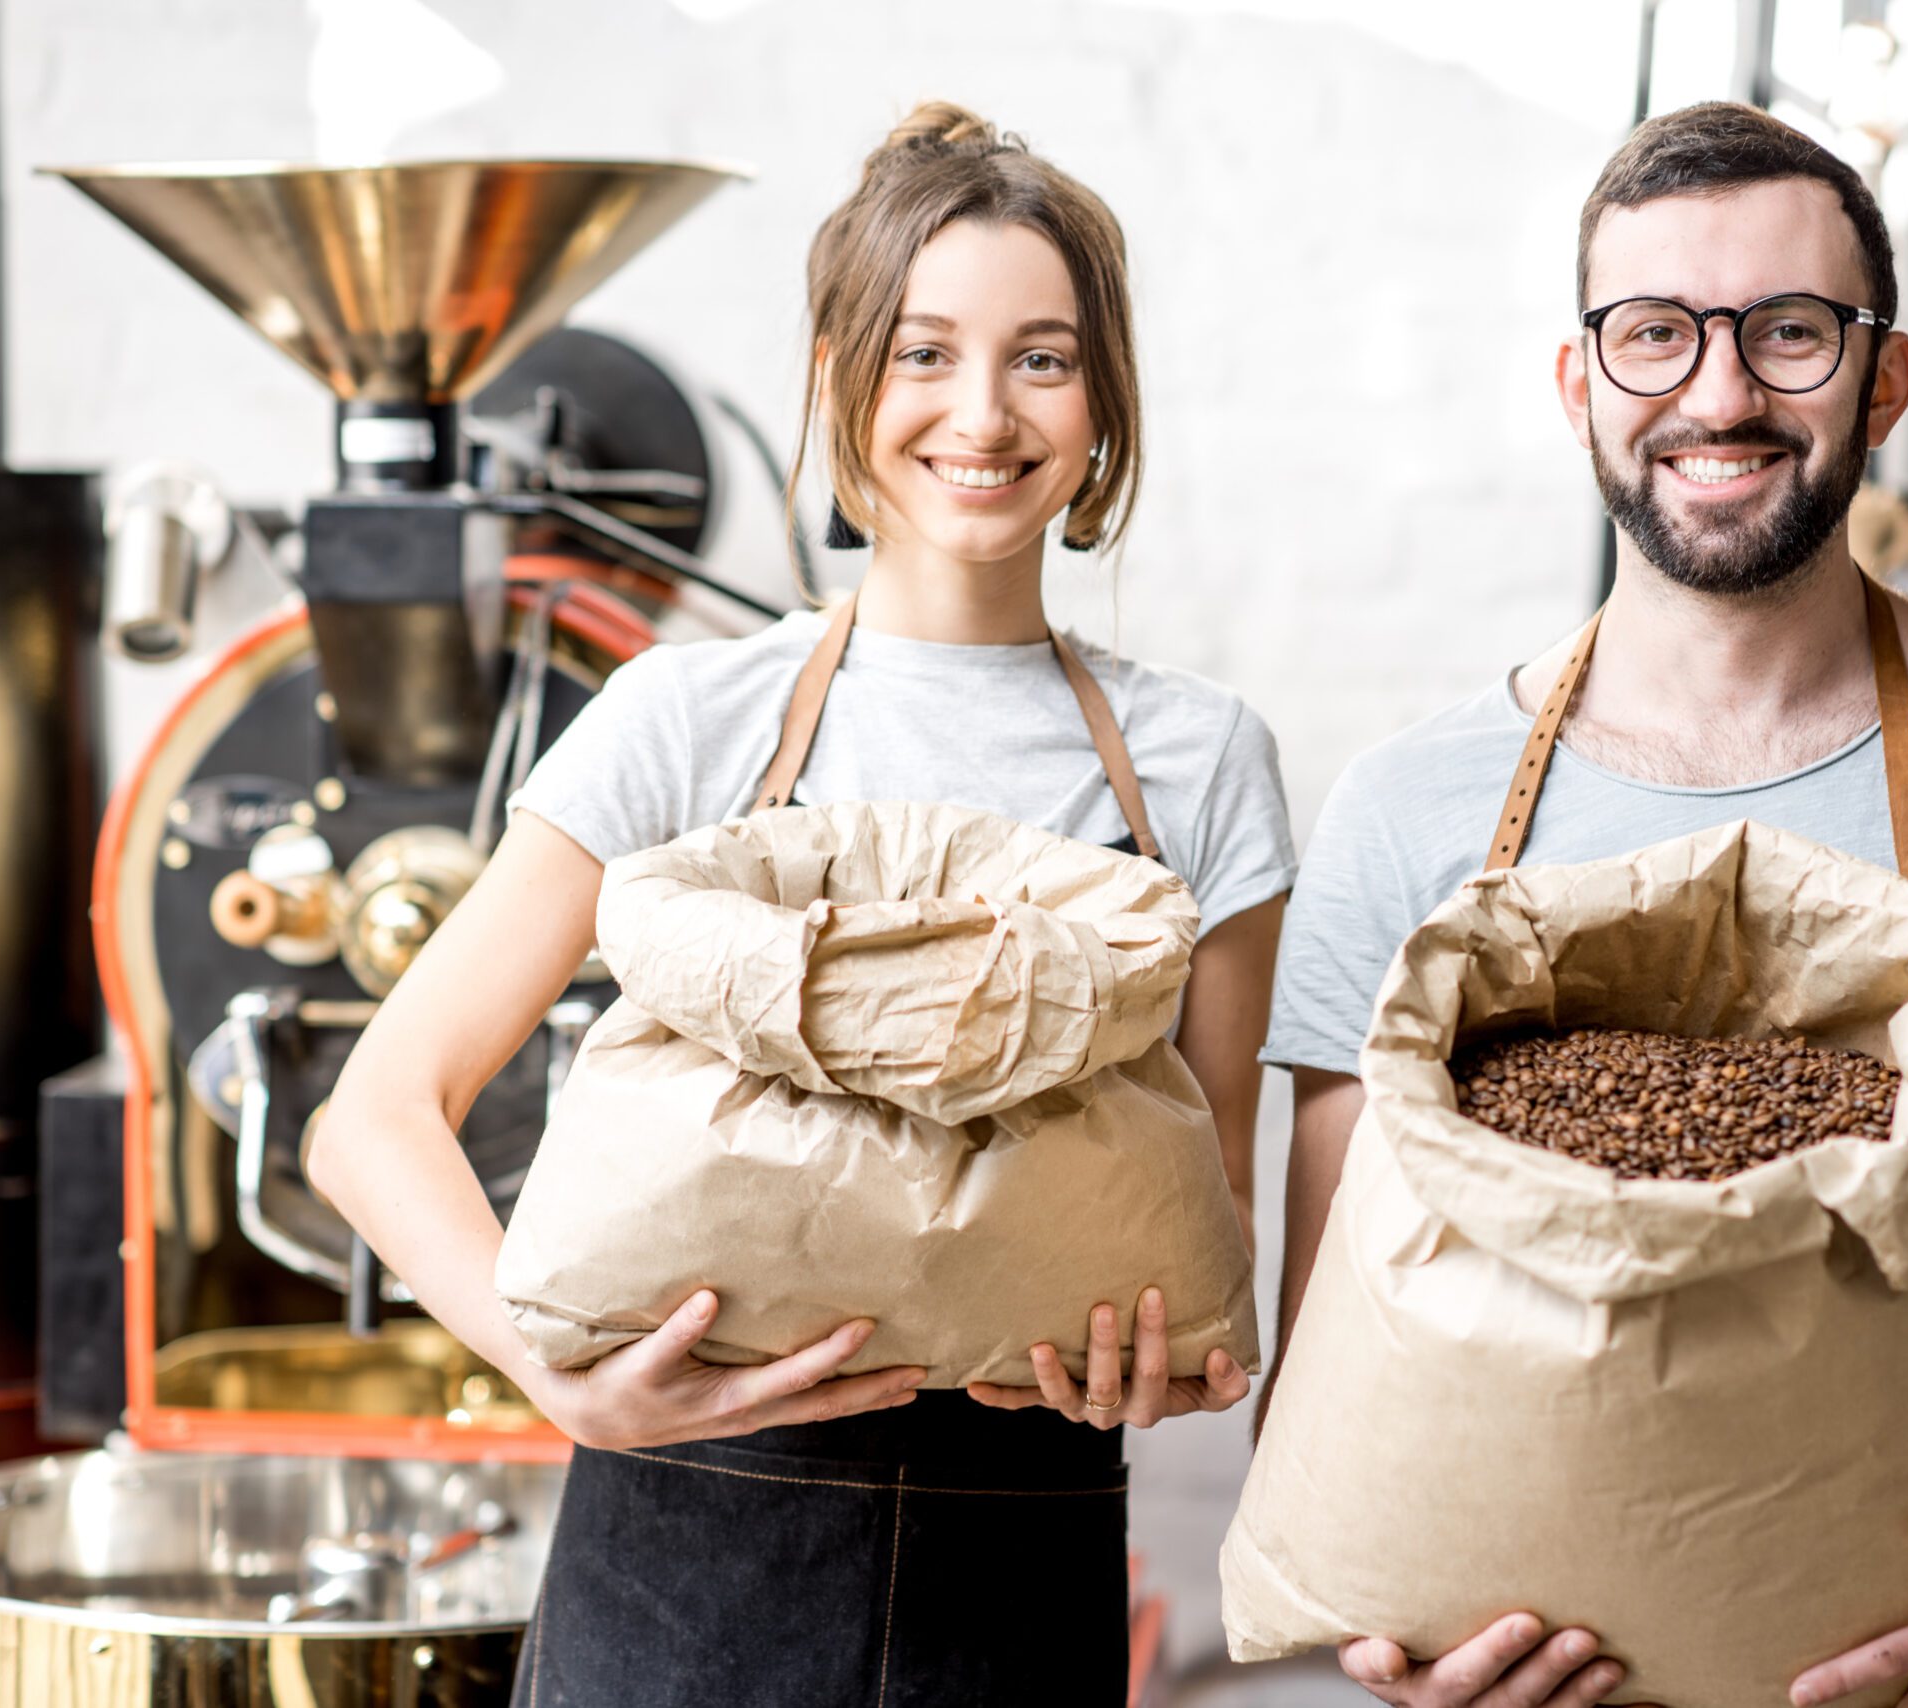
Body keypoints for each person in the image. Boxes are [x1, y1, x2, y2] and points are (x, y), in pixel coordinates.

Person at [1258, 102, 1908, 1708]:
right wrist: (1408, 1644)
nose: (1720, 394)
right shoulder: (1406, 812)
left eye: (1789, 333)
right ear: (1578, 382)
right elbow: (1327, 1348)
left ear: (1884, 377)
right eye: (1656, 333)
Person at [312, 102, 1293, 1706]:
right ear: (842, 381)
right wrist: (560, 1382)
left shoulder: (1200, 765)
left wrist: (1164, 1361)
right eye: (924, 352)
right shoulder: (683, 717)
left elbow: (1214, 1209)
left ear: (1104, 400)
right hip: (679, 1566)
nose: (982, 410)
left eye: (1043, 358)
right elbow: (373, 1118)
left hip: (1021, 1559)